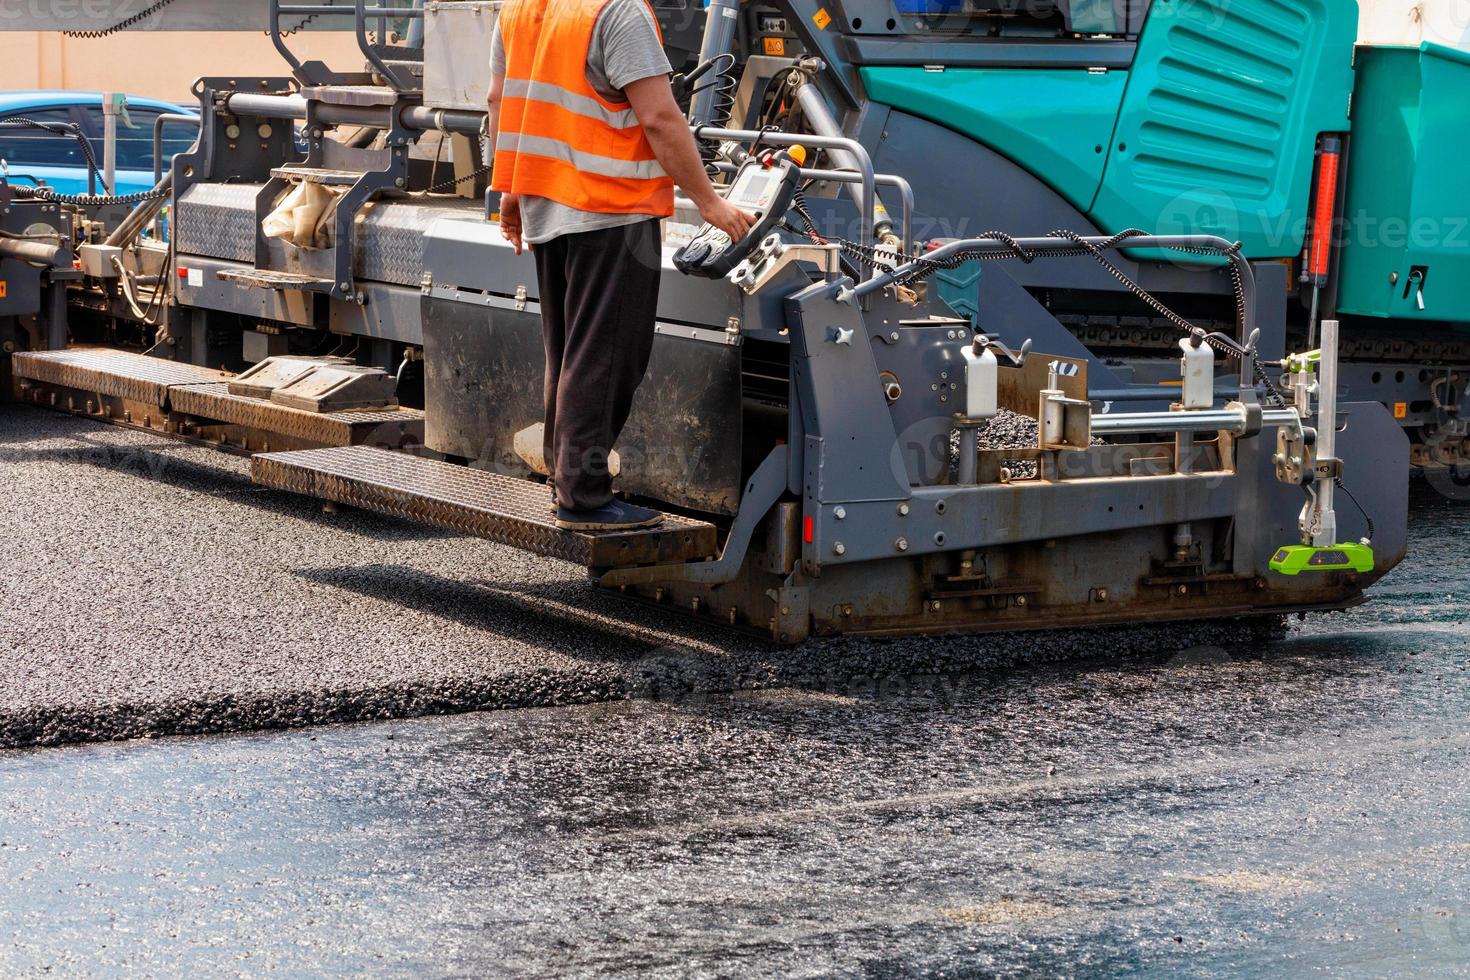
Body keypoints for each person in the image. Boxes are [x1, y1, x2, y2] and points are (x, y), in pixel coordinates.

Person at [486, 0, 754, 531]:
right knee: (605, 358)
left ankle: (565, 480)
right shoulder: (619, 11)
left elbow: (500, 101)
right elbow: (658, 115)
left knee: (567, 352)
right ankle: (583, 497)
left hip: (546, 204)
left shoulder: (519, 7)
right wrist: (710, 202)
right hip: (610, 210)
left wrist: (510, 190)